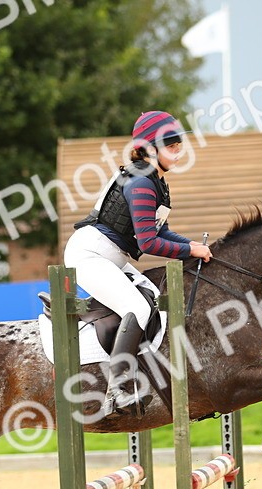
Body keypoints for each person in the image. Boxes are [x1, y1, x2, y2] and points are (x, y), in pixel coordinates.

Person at [67, 110, 213, 415]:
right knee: (140, 308)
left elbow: (160, 231)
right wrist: (190, 252)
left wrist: (191, 244)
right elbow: (148, 243)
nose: (178, 149)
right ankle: (117, 389)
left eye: (177, 144)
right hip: (90, 254)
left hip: (113, 256)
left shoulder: (157, 181)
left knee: (156, 300)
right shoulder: (141, 182)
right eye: (171, 144)